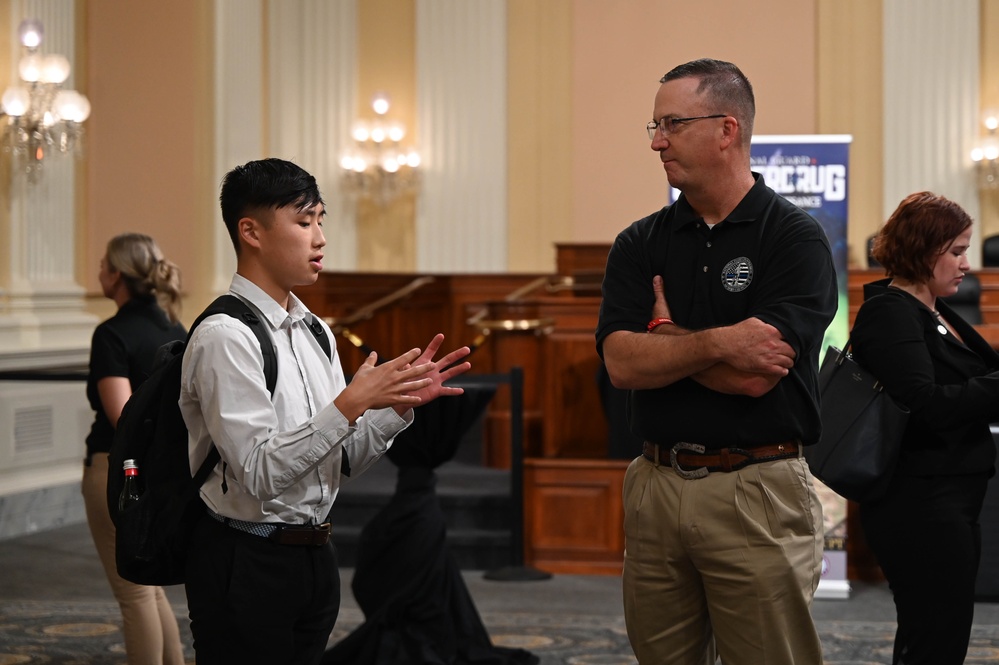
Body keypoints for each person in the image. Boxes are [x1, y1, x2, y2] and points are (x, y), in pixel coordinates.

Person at [179, 157, 471, 665]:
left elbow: (342, 459)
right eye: (303, 221)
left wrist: (394, 409)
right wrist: (352, 401)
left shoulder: (314, 330)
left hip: (313, 555)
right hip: (245, 558)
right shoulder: (226, 336)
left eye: (321, 220)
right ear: (251, 231)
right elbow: (259, 473)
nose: (320, 238)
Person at [595, 58, 837, 664]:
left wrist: (666, 333)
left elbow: (757, 376)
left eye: (671, 123)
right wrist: (717, 341)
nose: (656, 141)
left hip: (755, 487)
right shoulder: (639, 242)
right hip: (653, 484)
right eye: (653, 125)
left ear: (727, 129)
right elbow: (622, 364)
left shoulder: (794, 238)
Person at [850, 191, 999, 665]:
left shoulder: (933, 309)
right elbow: (926, 405)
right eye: (956, 251)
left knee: (936, 634)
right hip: (918, 503)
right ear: (922, 248)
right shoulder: (890, 312)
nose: (966, 264)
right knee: (934, 637)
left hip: (950, 497)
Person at [82, 233, 187, 665]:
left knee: (134, 593)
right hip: (158, 470)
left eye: (104, 265)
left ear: (120, 275)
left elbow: (120, 416)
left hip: (116, 469)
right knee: (150, 587)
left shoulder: (112, 334)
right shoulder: (174, 327)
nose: (99, 273)